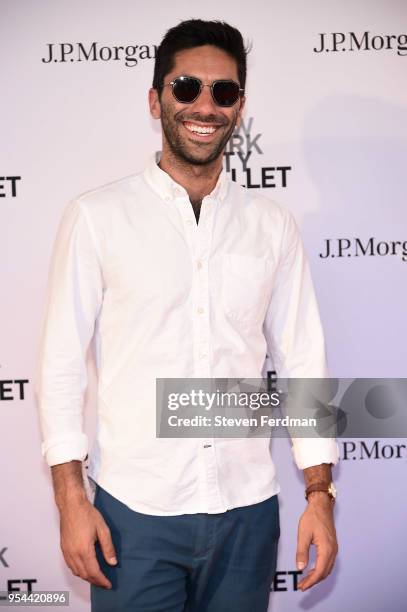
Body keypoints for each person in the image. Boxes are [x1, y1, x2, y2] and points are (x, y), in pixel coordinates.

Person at [35, 19, 339, 612]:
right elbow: (61, 364)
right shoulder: (97, 216)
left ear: (240, 106)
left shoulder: (272, 225)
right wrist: (72, 501)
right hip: (135, 518)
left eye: (223, 92)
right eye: (186, 87)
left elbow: (304, 360)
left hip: (249, 515)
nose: (205, 105)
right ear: (156, 99)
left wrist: (320, 495)